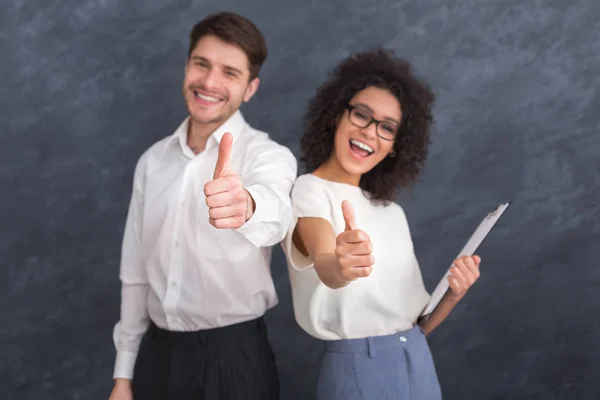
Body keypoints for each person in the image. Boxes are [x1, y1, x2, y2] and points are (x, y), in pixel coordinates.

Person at [108, 11, 297, 400]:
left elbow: (276, 214)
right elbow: (136, 274)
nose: (209, 82)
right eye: (201, 64)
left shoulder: (269, 157)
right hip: (156, 359)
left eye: (230, 72)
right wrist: (124, 375)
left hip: (234, 361)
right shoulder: (152, 162)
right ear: (187, 66)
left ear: (250, 89)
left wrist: (246, 205)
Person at [280, 48, 482, 399]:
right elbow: (328, 264)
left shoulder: (392, 212)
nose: (370, 133)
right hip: (359, 369)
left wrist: (454, 294)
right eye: (361, 115)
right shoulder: (309, 190)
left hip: (417, 362)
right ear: (336, 117)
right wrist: (342, 264)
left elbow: (418, 326)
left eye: (387, 128)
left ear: (394, 147)